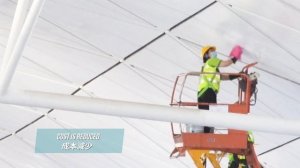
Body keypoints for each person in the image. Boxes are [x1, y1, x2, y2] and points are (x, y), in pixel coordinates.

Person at [198, 45, 243, 133]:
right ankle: (208, 137)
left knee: (206, 119)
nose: (214, 53)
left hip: (202, 94)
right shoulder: (211, 61)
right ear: (206, 55)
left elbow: (223, 77)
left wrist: (237, 75)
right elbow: (225, 64)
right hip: (208, 92)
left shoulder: (208, 67)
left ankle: (206, 137)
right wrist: (234, 58)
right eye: (211, 51)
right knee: (211, 117)